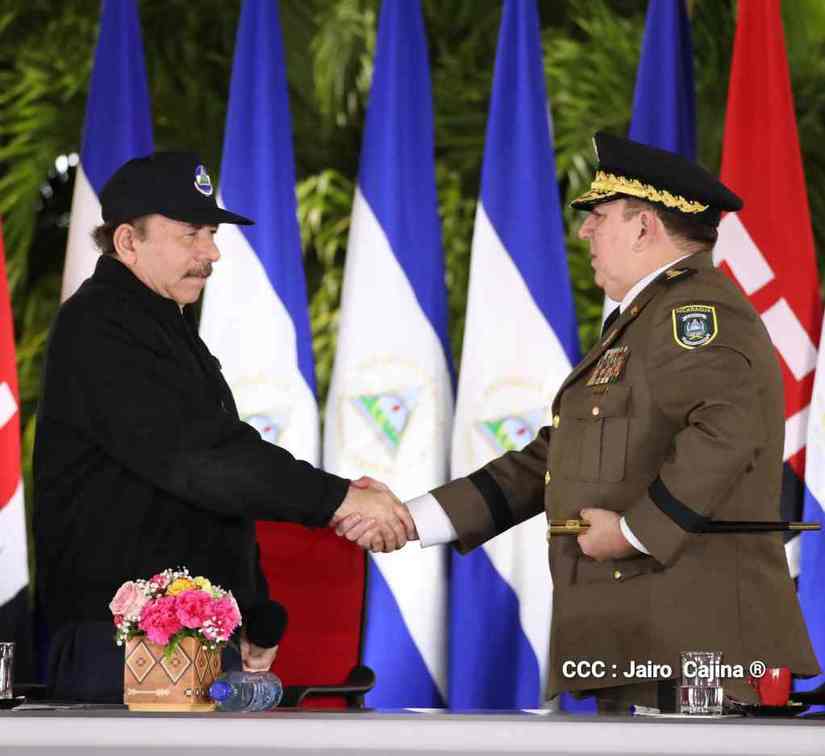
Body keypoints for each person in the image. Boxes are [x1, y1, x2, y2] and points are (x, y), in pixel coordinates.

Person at [339, 133, 820, 712]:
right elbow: (557, 457)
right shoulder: (645, 318)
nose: (584, 231)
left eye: (600, 216)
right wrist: (417, 519)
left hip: (689, 641)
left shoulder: (696, 313)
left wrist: (635, 532)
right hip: (642, 635)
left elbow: (726, 432)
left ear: (644, 227)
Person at [33, 151, 412, 701]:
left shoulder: (165, 327)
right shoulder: (99, 326)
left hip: (187, 641)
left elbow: (209, 496)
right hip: (118, 650)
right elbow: (203, 460)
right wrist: (339, 499)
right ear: (128, 242)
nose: (211, 252)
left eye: (211, 234)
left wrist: (252, 612)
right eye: (191, 234)